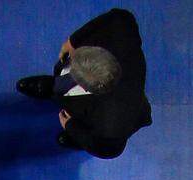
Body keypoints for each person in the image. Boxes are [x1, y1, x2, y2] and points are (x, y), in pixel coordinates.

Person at [16, 8, 151, 159]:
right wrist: (73, 41)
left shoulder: (112, 125)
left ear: (87, 87)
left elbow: (108, 150)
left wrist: (73, 128)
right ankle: (54, 87)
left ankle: (78, 140)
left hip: (100, 119)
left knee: (89, 133)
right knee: (62, 80)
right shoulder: (123, 36)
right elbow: (120, 16)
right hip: (102, 94)